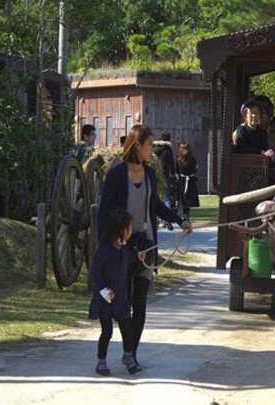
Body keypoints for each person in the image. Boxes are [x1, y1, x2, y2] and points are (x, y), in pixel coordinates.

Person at [97, 124, 192, 368]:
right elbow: (104, 211)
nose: (153, 149)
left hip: (147, 247)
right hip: (122, 248)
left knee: (140, 302)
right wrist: (107, 245)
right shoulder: (116, 175)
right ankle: (113, 351)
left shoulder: (149, 174)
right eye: (150, 144)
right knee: (122, 302)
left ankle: (131, 354)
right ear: (137, 145)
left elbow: (157, 206)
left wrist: (180, 220)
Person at [88, 209, 143, 376]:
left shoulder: (124, 250)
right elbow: (95, 273)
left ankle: (128, 357)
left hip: (121, 299)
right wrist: (103, 290)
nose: (131, 231)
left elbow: (132, 258)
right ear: (121, 230)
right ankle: (101, 362)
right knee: (107, 332)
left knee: (127, 329)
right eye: (129, 228)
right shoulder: (104, 252)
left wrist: (139, 256)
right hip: (106, 300)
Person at [153, 131, 178, 211]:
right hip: (165, 175)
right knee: (167, 197)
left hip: (155, 175)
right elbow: (171, 164)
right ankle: (167, 216)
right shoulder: (168, 150)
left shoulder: (155, 149)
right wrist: (173, 174)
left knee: (155, 196)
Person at [176, 142, 200, 222]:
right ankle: (186, 215)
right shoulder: (192, 159)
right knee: (187, 199)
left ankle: (184, 215)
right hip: (190, 181)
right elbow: (194, 169)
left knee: (183, 199)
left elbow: (176, 170)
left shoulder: (178, 159)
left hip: (183, 180)